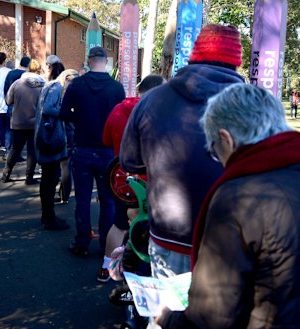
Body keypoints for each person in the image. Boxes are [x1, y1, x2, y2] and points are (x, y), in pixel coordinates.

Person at [156, 83, 300, 329]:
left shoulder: (236, 199)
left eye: (214, 152)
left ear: (225, 139)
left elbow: (211, 318)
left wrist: (167, 318)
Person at [119, 24, 245, 279]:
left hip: (168, 235)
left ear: (194, 57)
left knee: (168, 313)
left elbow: (129, 161)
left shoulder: (152, 99)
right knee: (222, 318)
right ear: (235, 64)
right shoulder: (256, 104)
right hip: (231, 240)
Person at [98, 74, 166, 283]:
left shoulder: (118, 109)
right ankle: (138, 278)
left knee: (119, 225)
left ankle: (106, 269)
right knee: (150, 231)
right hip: (154, 183)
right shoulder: (162, 114)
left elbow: (105, 139)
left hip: (123, 182)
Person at [59, 46, 126, 257]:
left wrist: (78, 120)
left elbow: (63, 113)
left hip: (83, 148)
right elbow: (121, 118)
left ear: (89, 60)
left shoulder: (77, 85)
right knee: (108, 199)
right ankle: (106, 241)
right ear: (106, 62)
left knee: (82, 198)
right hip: (107, 152)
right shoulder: (116, 88)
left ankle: (82, 242)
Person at [34, 66, 75, 230]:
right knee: (50, 179)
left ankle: (47, 216)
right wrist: (67, 112)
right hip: (50, 139)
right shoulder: (56, 87)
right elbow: (48, 109)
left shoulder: (50, 86)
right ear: (67, 79)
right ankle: (49, 218)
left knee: (48, 179)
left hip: (45, 137)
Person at [2, 59, 46, 185]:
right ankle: (29, 177)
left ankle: (6, 174)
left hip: (18, 121)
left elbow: (8, 100)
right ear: (38, 70)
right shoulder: (43, 85)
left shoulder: (17, 83)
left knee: (15, 149)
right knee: (32, 151)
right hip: (35, 123)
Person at [4, 56, 32, 158]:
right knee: (20, 132)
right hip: (23, 107)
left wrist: (7, 101)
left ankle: (8, 151)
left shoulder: (10, 73)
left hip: (11, 104)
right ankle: (17, 154)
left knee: (9, 129)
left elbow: (5, 88)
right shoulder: (26, 76)